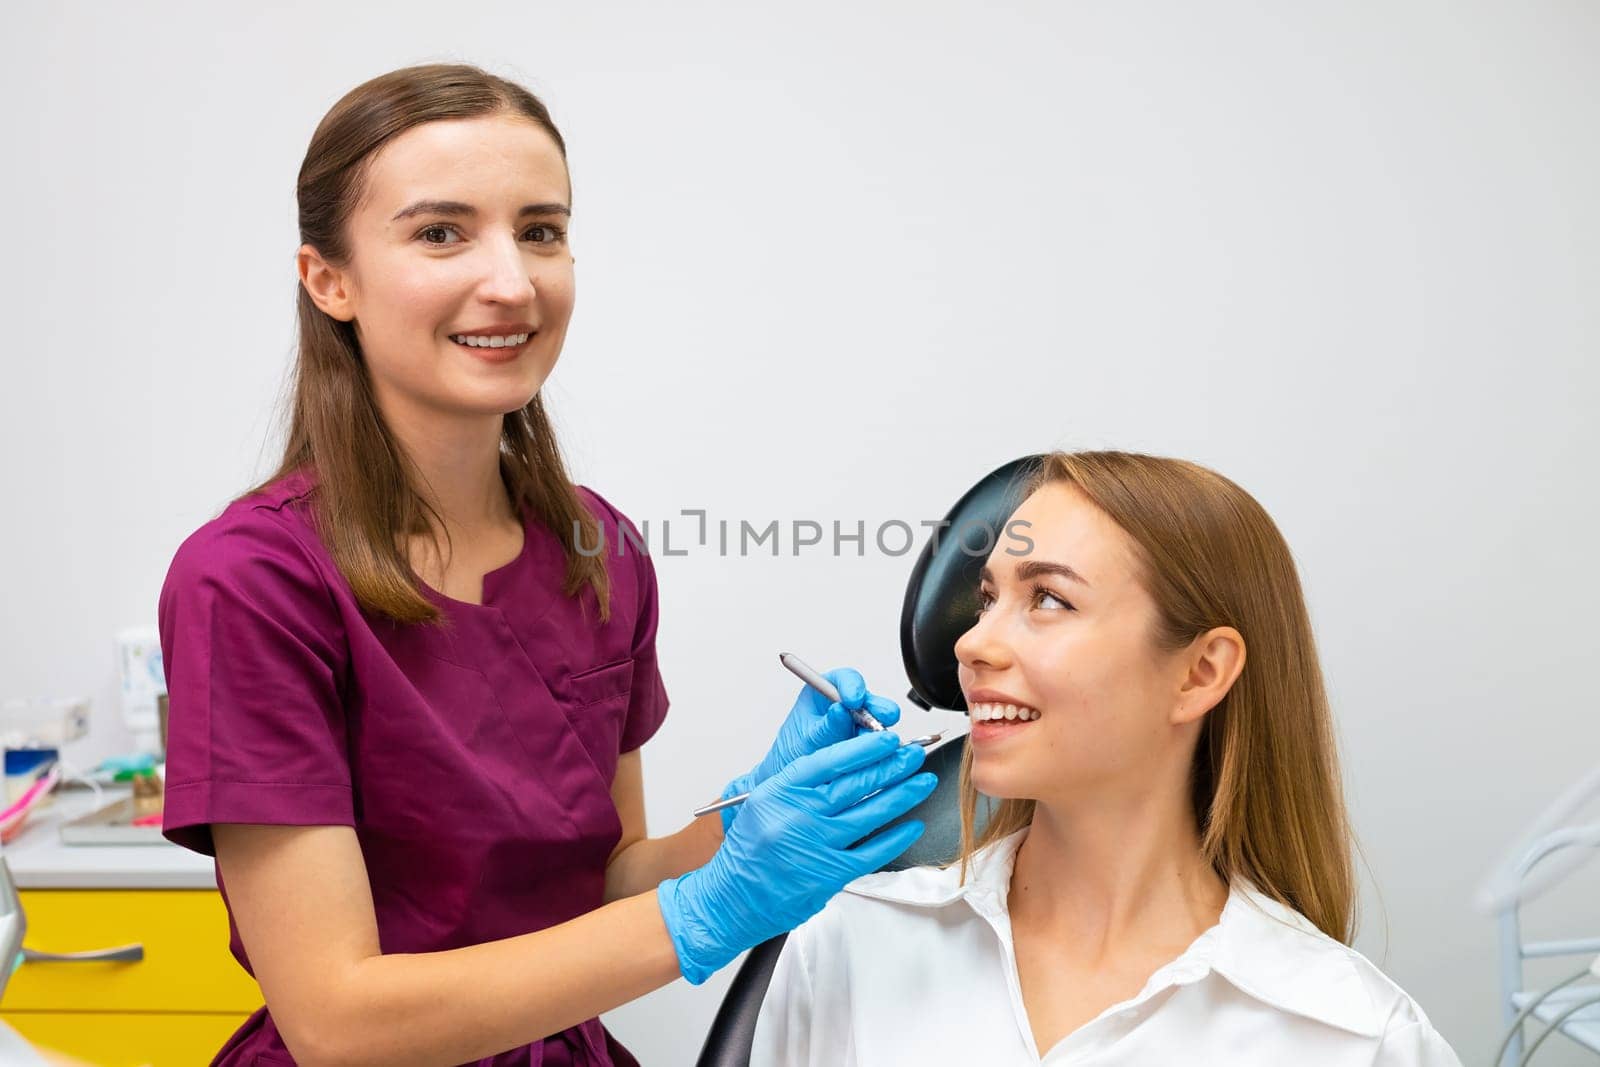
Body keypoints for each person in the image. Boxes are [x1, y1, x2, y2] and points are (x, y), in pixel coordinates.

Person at [156, 63, 937, 1066]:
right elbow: (340, 1021)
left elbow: (607, 877)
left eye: (540, 230)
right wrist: (712, 907)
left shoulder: (593, 548)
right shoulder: (253, 581)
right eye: (441, 232)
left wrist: (749, 819)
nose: (513, 282)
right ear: (329, 279)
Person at [751, 450, 1463, 1065]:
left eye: (1050, 599)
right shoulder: (848, 946)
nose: (973, 644)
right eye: (988, 598)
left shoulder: (1355, 1037)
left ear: (1200, 672)